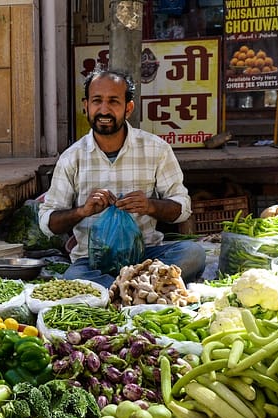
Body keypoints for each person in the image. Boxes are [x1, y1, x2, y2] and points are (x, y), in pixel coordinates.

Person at [38, 67, 205, 288]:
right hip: (93, 261)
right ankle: (140, 288)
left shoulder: (156, 149)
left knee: (193, 253)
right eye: (97, 101)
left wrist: (150, 205)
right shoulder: (72, 158)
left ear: (128, 108)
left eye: (113, 102)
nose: (104, 110)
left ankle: (118, 289)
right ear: (86, 106)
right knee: (74, 278)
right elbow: (47, 222)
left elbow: (182, 208)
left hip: (146, 255)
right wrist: (82, 211)